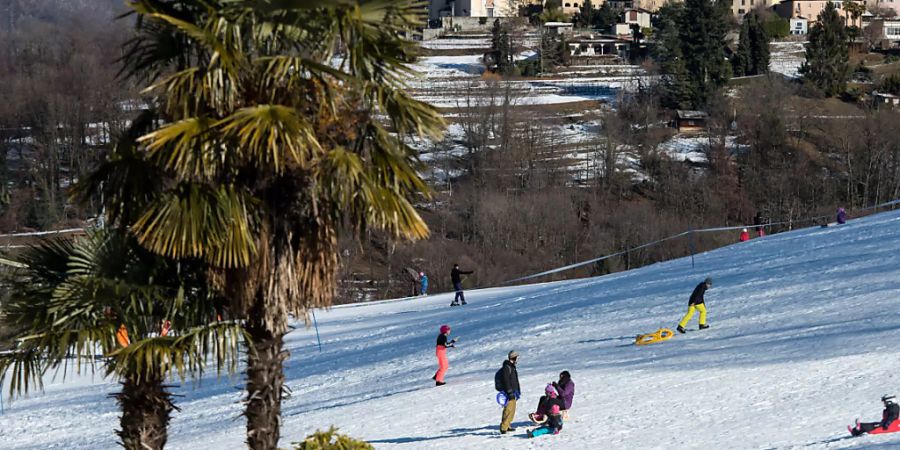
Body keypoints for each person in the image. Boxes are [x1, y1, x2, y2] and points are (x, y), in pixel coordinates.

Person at [498, 351, 521, 434]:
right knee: (508, 409)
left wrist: (518, 390)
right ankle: (503, 427)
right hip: (509, 393)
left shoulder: (512, 367)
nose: (518, 359)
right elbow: (506, 381)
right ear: (513, 357)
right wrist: (509, 392)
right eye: (516, 357)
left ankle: (508, 425)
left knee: (512, 410)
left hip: (514, 392)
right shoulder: (507, 367)